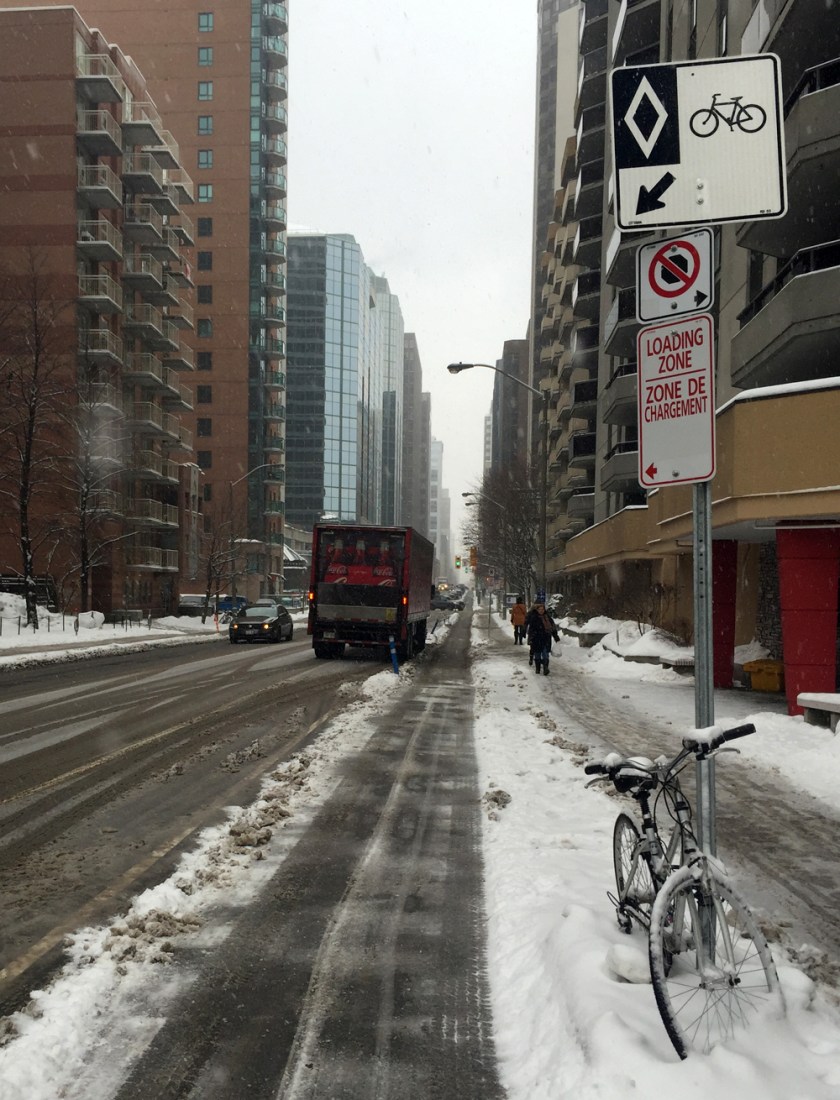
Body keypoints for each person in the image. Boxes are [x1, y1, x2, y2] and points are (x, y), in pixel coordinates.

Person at [526, 600, 560, 676]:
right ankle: (538, 668)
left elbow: (553, 628)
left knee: (545, 654)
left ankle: (545, 668)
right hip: (536, 639)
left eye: (542, 609)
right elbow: (531, 629)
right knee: (537, 655)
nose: (541, 611)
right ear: (537, 610)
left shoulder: (548, 618)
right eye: (539, 609)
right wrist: (531, 638)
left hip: (546, 638)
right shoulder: (534, 618)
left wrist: (556, 636)